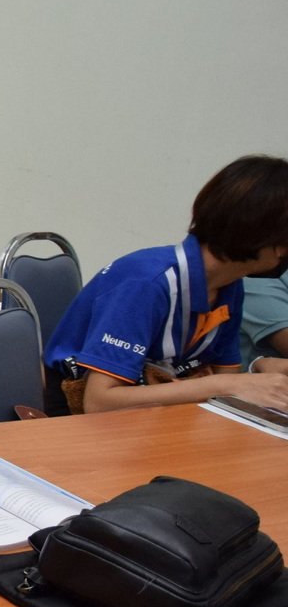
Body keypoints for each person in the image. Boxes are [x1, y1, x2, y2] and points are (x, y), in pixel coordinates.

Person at [44, 155, 288, 414]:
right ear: (261, 234)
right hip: (72, 416)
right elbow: (99, 403)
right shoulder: (147, 283)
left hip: (157, 412)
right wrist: (222, 385)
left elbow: (230, 384)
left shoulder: (230, 284)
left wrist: (257, 371)